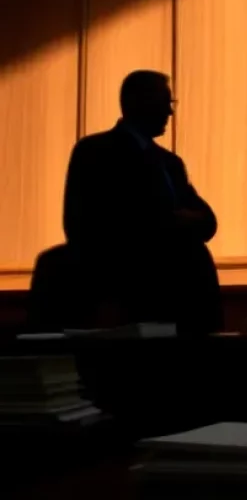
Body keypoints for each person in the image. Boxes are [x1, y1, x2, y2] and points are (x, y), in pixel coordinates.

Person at [62, 70, 221, 333]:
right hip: (128, 295)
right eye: (165, 102)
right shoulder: (96, 152)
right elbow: (83, 227)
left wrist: (179, 219)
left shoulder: (169, 162)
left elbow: (208, 221)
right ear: (137, 101)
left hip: (182, 299)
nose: (170, 113)